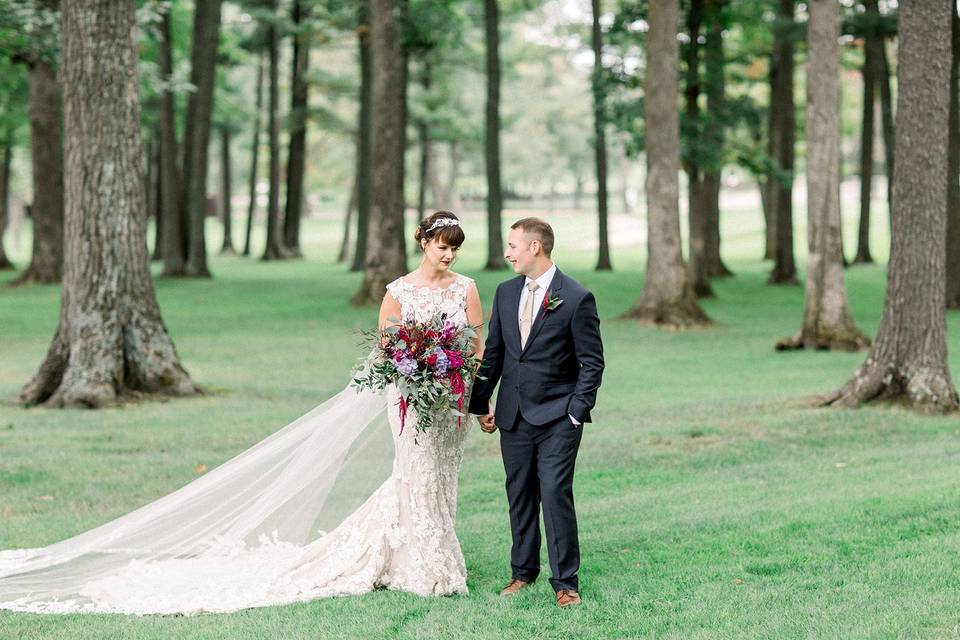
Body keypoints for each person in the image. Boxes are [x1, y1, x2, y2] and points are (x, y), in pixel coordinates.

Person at [0, 211, 484, 615]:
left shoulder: (465, 288)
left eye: (454, 248)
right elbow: (388, 346)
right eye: (442, 246)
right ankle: (426, 565)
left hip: (451, 397)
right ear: (422, 242)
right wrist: (417, 365)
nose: (449, 255)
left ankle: (430, 554)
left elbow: (475, 344)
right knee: (415, 472)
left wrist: (463, 380)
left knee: (442, 474)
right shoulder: (399, 289)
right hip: (409, 395)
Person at [469, 217, 604, 609]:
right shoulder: (506, 292)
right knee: (520, 494)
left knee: (554, 492)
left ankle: (565, 583)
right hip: (513, 415)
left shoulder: (576, 297)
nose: (507, 252)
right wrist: (481, 404)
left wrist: (576, 412)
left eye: (512, 245)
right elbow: (494, 353)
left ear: (534, 248)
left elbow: (592, 363)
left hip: (558, 417)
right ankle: (521, 573)